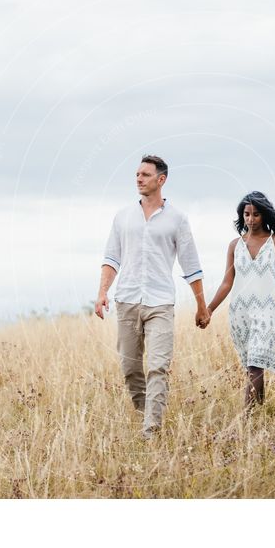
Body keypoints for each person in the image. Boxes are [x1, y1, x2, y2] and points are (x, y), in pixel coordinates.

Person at [95, 155, 211, 439]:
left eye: (145, 174)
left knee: (158, 366)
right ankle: (143, 414)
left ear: (161, 179)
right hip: (127, 300)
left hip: (160, 302)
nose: (138, 179)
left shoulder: (177, 219)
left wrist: (201, 306)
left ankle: (151, 431)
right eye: (137, 174)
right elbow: (111, 258)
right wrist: (102, 293)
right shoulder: (123, 217)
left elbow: (191, 265)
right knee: (130, 367)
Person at [206, 191, 275, 411]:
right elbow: (226, 282)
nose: (251, 219)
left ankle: (247, 418)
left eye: (256, 214)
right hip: (241, 313)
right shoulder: (235, 245)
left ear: (265, 216)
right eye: (247, 214)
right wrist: (210, 308)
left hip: (269, 312)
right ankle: (260, 412)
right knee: (253, 364)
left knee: (255, 363)